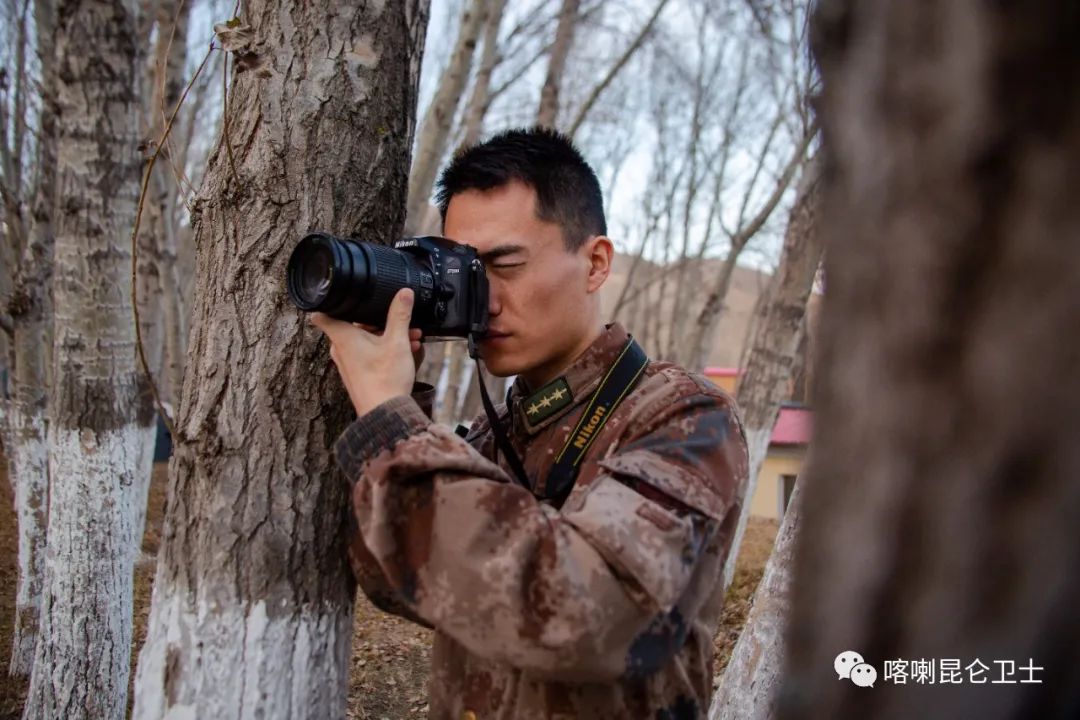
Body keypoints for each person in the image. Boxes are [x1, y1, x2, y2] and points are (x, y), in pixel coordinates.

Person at [311, 127, 748, 720]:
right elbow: (390, 581)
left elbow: (590, 611)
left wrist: (396, 430)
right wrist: (397, 404)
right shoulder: (492, 437)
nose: (481, 299)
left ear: (595, 264)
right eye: (464, 271)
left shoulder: (684, 416)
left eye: (504, 265)